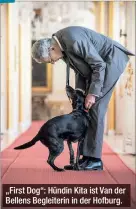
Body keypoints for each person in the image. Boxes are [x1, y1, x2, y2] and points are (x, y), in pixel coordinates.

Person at [31, 26, 134, 171]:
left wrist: (92, 94)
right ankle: (85, 157)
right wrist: (79, 92)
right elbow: (80, 71)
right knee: (86, 108)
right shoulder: (62, 48)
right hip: (98, 68)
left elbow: (99, 65)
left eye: (50, 60)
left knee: (95, 106)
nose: (53, 62)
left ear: (51, 49)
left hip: (110, 61)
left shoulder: (72, 40)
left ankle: (95, 160)